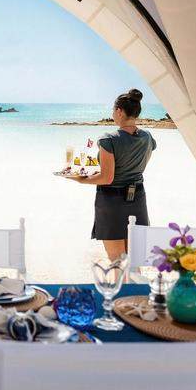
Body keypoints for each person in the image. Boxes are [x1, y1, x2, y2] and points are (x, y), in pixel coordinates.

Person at [69, 89, 156, 261]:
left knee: (116, 259)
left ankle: (117, 288)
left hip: (112, 202)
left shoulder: (108, 139)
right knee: (134, 259)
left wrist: (80, 179)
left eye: (113, 111)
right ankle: (134, 288)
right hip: (137, 198)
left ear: (119, 111)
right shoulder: (147, 137)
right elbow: (136, 164)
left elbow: (107, 178)